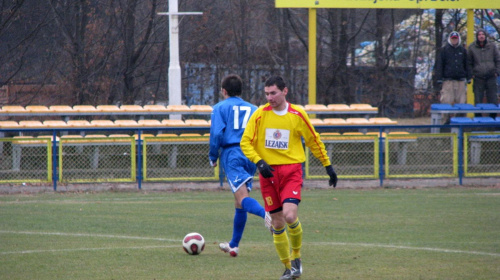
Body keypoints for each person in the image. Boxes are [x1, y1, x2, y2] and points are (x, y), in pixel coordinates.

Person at [240, 75, 338, 280]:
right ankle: (287, 267)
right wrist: (259, 161)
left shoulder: (297, 114)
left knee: (290, 216)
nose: (270, 97)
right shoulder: (259, 115)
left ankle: (296, 258)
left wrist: (327, 166)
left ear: (285, 91)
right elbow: (245, 142)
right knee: (277, 224)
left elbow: (314, 141)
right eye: (266, 93)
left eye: (273, 93)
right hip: (268, 174)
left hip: (291, 171)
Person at [209, 74, 272, 257]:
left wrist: (213, 156)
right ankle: (234, 245)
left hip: (233, 154)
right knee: (239, 202)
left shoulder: (219, 108)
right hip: (251, 154)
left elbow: (217, 134)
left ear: (224, 91)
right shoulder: (254, 108)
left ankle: (267, 214)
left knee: (242, 197)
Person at [435, 31, 471, 123]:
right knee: (446, 101)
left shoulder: (463, 51)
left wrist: (469, 76)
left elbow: (467, 64)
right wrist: (439, 78)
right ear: (450, 39)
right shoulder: (444, 50)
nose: (454, 40)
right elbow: (439, 65)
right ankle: (444, 122)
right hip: (448, 80)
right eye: (453, 38)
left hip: (460, 81)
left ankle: (459, 122)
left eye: (456, 38)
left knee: (461, 103)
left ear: (458, 39)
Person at [467, 28, 500, 118]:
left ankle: (492, 119)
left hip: (491, 76)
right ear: (477, 36)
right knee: (478, 99)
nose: (481, 36)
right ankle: (478, 120)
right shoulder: (472, 47)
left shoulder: (492, 46)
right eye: (479, 35)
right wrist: (471, 74)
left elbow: (498, 60)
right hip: (478, 77)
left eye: (483, 34)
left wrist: (497, 72)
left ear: (485, 36)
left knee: (493, 98)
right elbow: (468, 63)